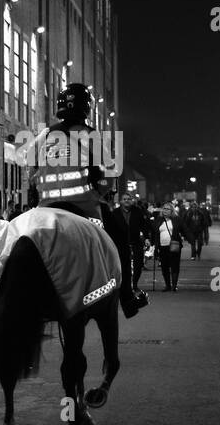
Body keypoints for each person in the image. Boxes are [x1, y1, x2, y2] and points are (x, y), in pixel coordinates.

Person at [16, 82, 142, 318]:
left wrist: (38, 191)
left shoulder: (44, 135)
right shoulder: (90, 135)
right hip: (86, 207)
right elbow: (106, 175)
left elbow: (29, 167)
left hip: (47, 209)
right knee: (122, 241)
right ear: (86, 108)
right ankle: (127, 296)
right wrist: (99, 194)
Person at [115, 192, 149, 291]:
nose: (126, 201)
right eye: (124, 199)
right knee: (123, 265)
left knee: (138, 264)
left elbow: (144, 225)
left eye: (128, 199)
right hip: (120, 243)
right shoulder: (115, 212)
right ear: (121, 201)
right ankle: (125, 285)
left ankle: (134, 284)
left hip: (136, 241)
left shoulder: (137, 211)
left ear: (132, 201)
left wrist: (146, 238)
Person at [153, 202, 184, 291]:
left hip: (174, 246)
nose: (165, 210)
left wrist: (191, 239)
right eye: (164, 208)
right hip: (162, 246)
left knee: (174, 266)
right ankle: (168, 285)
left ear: (172, 211)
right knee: (164, 266)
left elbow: (184, 229)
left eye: (167, 209)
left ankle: (174, 285)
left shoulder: (176, 219)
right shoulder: (159, 219)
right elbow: (155, 231)